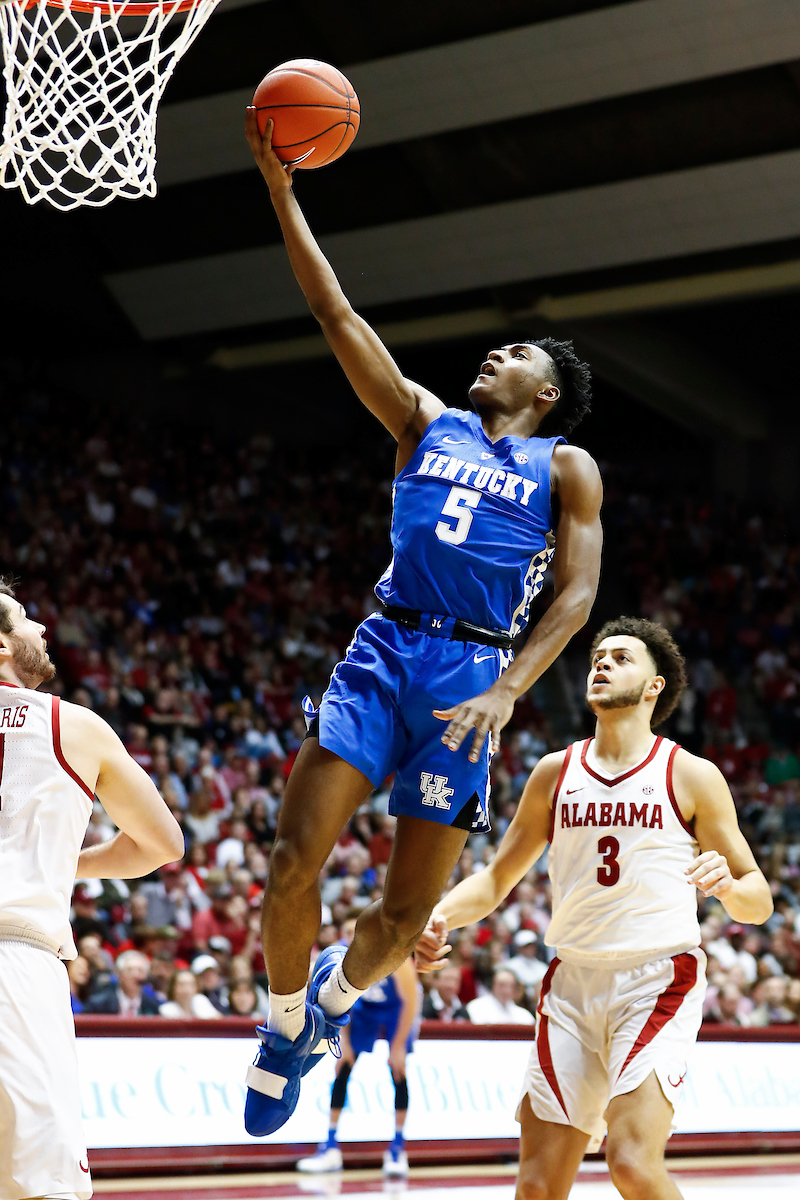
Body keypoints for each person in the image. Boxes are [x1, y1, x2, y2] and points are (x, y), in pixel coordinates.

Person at [242, 108, 603, 1137]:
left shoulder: (562, 467)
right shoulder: (420, 418)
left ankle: (335, 1001)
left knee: (404, 917)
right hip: (383, 648)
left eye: (517, 352)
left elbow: (574, 597)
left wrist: (507, 689)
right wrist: (282, 192)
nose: (496, 353)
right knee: (288, 859)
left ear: (545, 393)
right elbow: (334, 312)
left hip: (470, 676)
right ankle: (283, 1030)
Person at [415, 616, 772, 1200]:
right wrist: (437, 916)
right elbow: (496, 878)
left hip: (657, 979)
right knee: (536, 1187)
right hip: (572, 980)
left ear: (655, 686)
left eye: (622, 658)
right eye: (598, 657)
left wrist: (730, 887)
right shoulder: (555, 771)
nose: (602, 664)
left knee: (631, 1164)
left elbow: (759, 902)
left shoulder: (689, 774)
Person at [0, 580, 184, 1200]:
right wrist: (61, 864)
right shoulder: (71, 725)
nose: (41, 631)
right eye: (25, 621)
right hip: (14, 967)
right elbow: (162, 845)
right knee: (38, 1187)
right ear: (1, 646)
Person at [297, 928, 419, 1179]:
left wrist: (397, 1047)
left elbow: (411, 1001)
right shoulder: (341, 954)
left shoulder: (396, 956)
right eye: (349, 932)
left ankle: (397, 1149)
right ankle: (330, 1147)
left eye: (358, 930)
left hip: (397, 1006)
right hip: (362, 1007)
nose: (354, 936)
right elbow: (339, 998)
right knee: (343, 1065)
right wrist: (344, 1041)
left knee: (398, 1068)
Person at [83, 949, 161, 1016]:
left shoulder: (153, 1006)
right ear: (119, 974)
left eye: (140, 971)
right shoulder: (98, 1005)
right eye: (129, 970)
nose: (135, 975)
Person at [466, 966, 534, 1025]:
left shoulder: (523, 1015)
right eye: (502, 985)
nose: (507, 990)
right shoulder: (477, 1007)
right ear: (492, 985)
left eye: (511, 986)